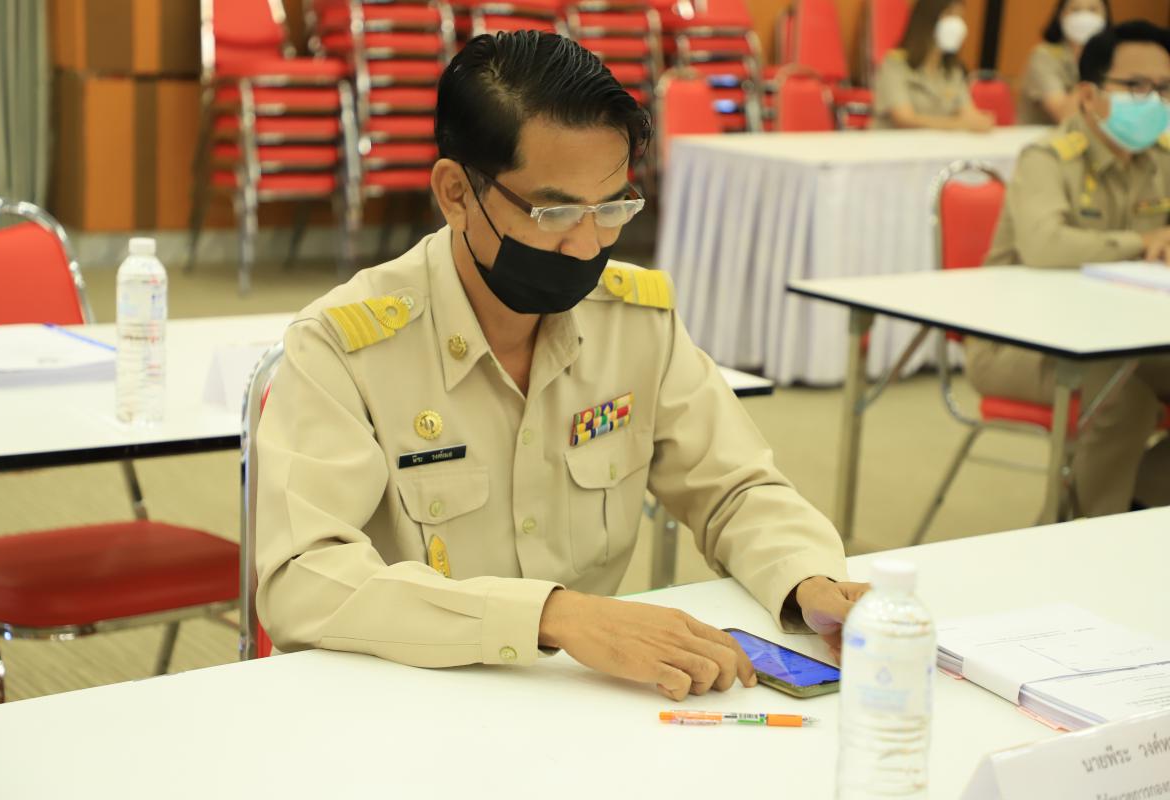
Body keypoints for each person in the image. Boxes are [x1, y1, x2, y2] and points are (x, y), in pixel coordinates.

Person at [255, 31, 866, 702]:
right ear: (456, 193)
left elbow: (733, 488)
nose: (585, 245)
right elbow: (302, 580)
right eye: (555, 212)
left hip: (579, 701)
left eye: (612, 209)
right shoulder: (343, 348)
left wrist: (807, 579)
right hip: (403, 699)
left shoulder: (635, 321)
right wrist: (550, 616)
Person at [969, 20, 1170, 517]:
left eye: (1164, 88)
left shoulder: (1160, 159)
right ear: (1088, 94)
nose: (1152, 100)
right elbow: (1045, 245)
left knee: (1127, 376)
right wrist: (1140, 242)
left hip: (1122, 336)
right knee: (1125, 392)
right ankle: (1080, 528)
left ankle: (1139, 503)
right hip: (1022, 343)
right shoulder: (1048, 157)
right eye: (1136, 86)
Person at [873, 0, 995, 132]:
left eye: (960, 17)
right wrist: (959, 124)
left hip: (940, 144)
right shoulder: (895, 64)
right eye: (949, 15)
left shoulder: (952, 70)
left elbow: (968, 114)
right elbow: (904, 119)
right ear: (927, 18)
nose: (957, 25)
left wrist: (981, 121)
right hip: (897, 143)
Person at [1018, 0, 1112, 125]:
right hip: (1045, 135)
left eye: (1092, 9)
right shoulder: (1044, 56)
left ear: (1105, 16)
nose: (1084, 17)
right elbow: (1065, 116)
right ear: (1061, 15)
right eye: (1075, 10)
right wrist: (1090, 64)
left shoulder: (1113, 56)